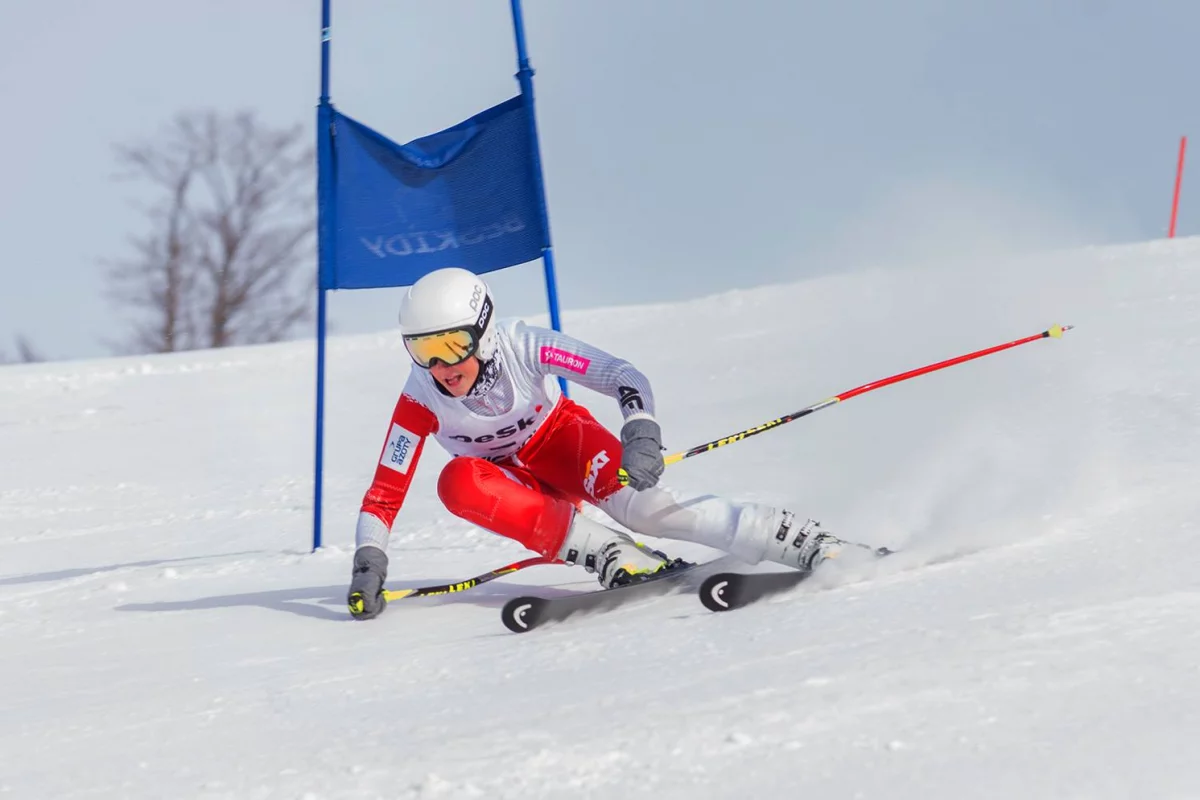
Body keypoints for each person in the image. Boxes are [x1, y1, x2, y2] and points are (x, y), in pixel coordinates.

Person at [347, 267, 842, 619]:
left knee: (651, 513)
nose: (440, 367)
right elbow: (384, 494)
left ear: (484, 332)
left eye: (451, 345)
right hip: (512, 485)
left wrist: (641, 429)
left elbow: (620, 374)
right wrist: (369, 562)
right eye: (422, 349)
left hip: (564, 442)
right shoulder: (419, 398)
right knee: (457, 481)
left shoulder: (526, 345)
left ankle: (799, 539)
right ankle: (613, 554)